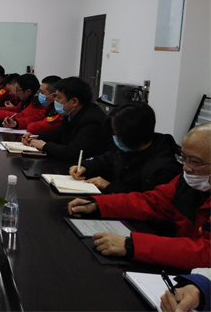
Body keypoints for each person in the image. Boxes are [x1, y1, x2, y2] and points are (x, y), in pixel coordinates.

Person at [67, 123, 211, 270]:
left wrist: (134, 245)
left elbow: (207, 252)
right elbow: (151, 202)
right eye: (183, 158)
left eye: (195, 162)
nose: (186, 167)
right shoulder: (187, 182)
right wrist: (98, 204)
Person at [69, 102, 182, 194]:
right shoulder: (128, 148)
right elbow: (106, 160)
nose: (115, 137)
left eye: (117, 133)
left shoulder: (163, 168)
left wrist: (110, 187)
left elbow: (149, 203)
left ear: (133, 134)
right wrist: (85, 167)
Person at [22, 76, 110, 162]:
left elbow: (72, 153)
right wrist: (36, 137)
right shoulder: (70, 113)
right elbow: (57, 135)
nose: (55, 100)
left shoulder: (92, 121)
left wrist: (44, 146)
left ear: (74, 102)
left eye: (58, 97)